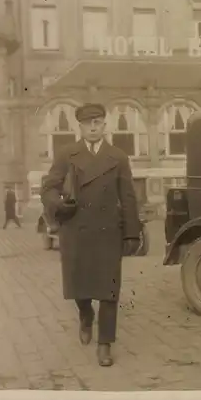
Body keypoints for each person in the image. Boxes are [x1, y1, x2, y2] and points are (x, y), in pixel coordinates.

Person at [41, 103, 140, 367]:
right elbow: (48, 187)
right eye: (88, 123)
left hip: (108, 230)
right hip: (76, 228)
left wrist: (132, 233)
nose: (93, 127)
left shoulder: (118, 156)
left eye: (97, 122)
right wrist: (57, 204)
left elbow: (128, 197)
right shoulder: (66, 154)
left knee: (109, 290)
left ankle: (105, 344)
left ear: (105, 125)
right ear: (80, 127)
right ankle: (85, 315)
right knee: (79, 288)